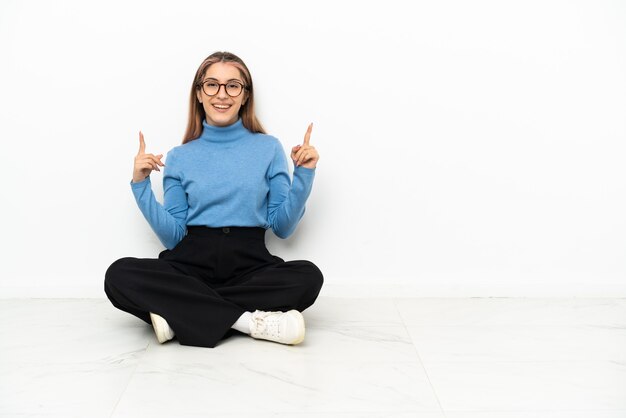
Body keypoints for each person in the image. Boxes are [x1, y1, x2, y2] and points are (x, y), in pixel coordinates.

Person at [104, 51, 323, 348]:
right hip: (191, 263)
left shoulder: (269, 148)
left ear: (245, 95)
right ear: (199, 93)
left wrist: (304, 174)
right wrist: (141, 184)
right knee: (118, 275)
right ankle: (248, 322)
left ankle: (179, 314)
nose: (222, 94)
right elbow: (174, 237)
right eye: (212, 85)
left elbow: (282, 227)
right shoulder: (180, 157)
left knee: (308, 277)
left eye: (233, 85)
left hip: (250, 264)